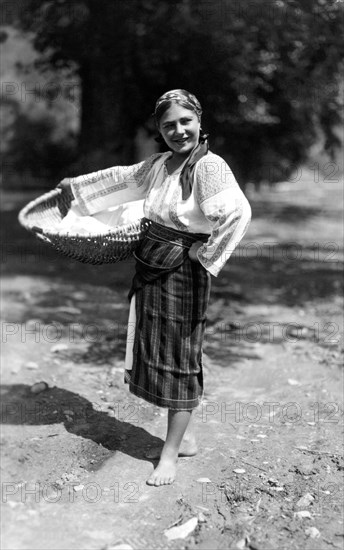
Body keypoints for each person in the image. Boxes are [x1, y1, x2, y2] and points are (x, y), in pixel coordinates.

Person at [60, 89, 251, 486]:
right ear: (160, 131)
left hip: (183, 271)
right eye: (169, 125)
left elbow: (237, 212)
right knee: (156, 349)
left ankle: (169, 455)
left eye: (185, 122)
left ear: (199, 120)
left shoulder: (209, 167)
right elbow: (123, 179)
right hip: (152, 263)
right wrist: (75, 189)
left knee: (179, 358)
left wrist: (205, 254)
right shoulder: (162, 163)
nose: (179, 131)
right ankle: (186, 439)